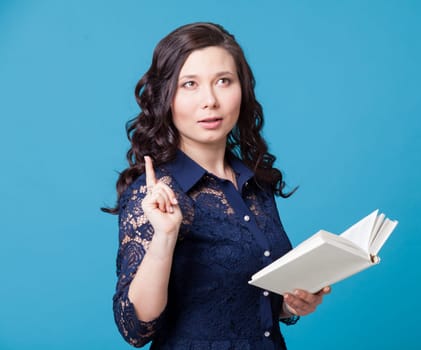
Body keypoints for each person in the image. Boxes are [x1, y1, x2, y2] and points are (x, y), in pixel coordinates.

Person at [103, 22, 331, 349]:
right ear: (166, 96)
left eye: (223, 81)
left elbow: (238, 299)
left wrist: (289, 304)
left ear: (243, 89)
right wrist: (165, 237)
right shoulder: (154, 194)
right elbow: (135, 329)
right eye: (190, 84)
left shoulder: (255, 185)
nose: (210, 100)